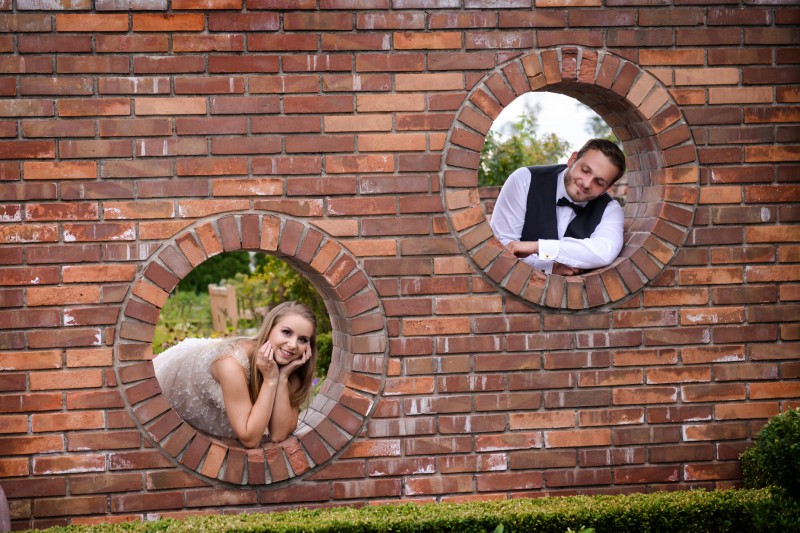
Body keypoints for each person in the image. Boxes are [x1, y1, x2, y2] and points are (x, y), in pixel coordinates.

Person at [153, 301, 318, 448]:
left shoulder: (289, 367)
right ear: (269, 329)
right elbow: (250, 440)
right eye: (287, 332)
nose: (293, 345)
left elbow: (279, 435)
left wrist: (282, 378)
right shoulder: (231, 363)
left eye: (303, 339)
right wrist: (270, 380)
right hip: (182, 381)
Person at [489, 138, 626, 276]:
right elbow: (503, 246)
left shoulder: (610, 209)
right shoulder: (525, 179)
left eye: (599, 182)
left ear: (606, 188)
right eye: (585, 170)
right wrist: (548, 268)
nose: (586, 183)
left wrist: (538, 247)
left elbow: (605, 252)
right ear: (572, 160)